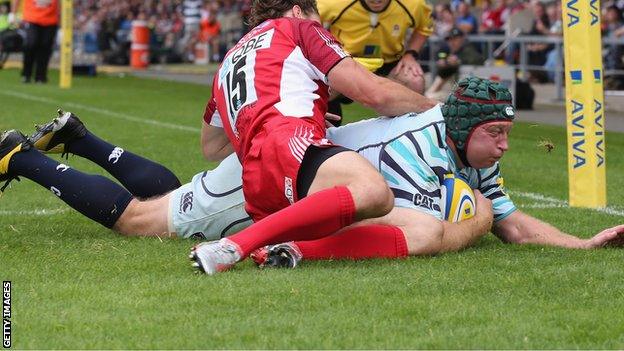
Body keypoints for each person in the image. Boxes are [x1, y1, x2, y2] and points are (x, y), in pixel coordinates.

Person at [1, 78, 622, 269]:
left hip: (288, 171)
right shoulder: (416, 146)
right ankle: (19, 157)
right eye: (498, 134)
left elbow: (507, 223)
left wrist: (583, 244)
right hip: (271, 175)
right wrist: (471, 220)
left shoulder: (464, 151)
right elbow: (420, 226)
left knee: (171, 197)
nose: (506, 147)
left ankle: (79, 136)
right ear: (464, 129)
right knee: (144, 221)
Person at [190, 0, 440, 275]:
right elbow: (375, 94)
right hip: (288, 142)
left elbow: (212, 147)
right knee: (375, 192)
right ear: (298, 11)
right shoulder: (299, 28)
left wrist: (298, 110)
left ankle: (278, 247)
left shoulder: (230, 60)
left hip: (257, 181)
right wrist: (434, 109)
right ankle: (233, 245)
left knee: (421, 229)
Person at [318, 0, 434, 116]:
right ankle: (315, 126)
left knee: (415, 81)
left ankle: (407, 129)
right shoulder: (331, 3)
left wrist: (410, 54)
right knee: (318, 85)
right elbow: (308, 23)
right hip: (345, 60)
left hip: (389, 61)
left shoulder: (414, 4)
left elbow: (424, 27)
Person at [425, 27, 484, 101]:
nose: (451, 42)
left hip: (470, 94)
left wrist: (459, 62)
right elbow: (443, 73)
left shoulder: (469, 49)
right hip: (457, 91)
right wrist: (445, 65)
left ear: (462, 39)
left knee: (431, 97)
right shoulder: (451, 52)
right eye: (449, 40)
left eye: (455, 39)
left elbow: (478, 60)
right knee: (430, 95)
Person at [10, 0, 58, 83]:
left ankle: (41, 76)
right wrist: (12, 14)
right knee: (31, 44)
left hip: (51, 20)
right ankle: (26, 74)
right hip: (31, 18)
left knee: (45, 47)